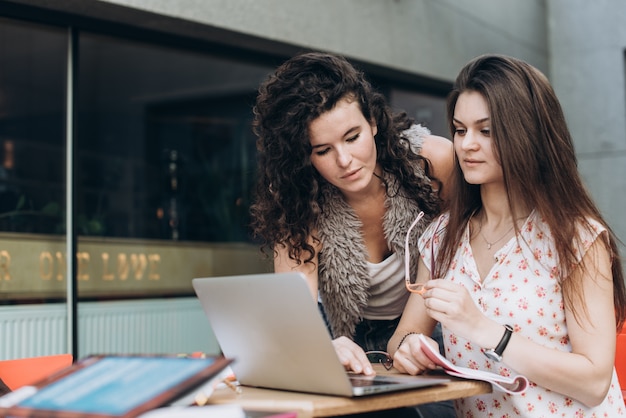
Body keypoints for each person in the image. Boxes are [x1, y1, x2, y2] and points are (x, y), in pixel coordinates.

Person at [389, 53, 626, 417]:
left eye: (486, 131)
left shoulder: (575, 237)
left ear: (527, 134)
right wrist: (408, 349)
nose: (467, 144)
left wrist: (486, 331)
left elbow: (594, 383)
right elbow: (404, 338)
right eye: (460, 129)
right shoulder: (440, 237)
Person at [250, 52, 454, 417]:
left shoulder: (433, 162)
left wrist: (407, 337)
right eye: (323, 150)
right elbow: (294, 308)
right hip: (350, 338)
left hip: (433, 326)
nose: (344, 161)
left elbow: (452, 258)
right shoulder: (300, 201)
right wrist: (321, 347)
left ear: (373, 122)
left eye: (352, 137)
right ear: (304, 156)